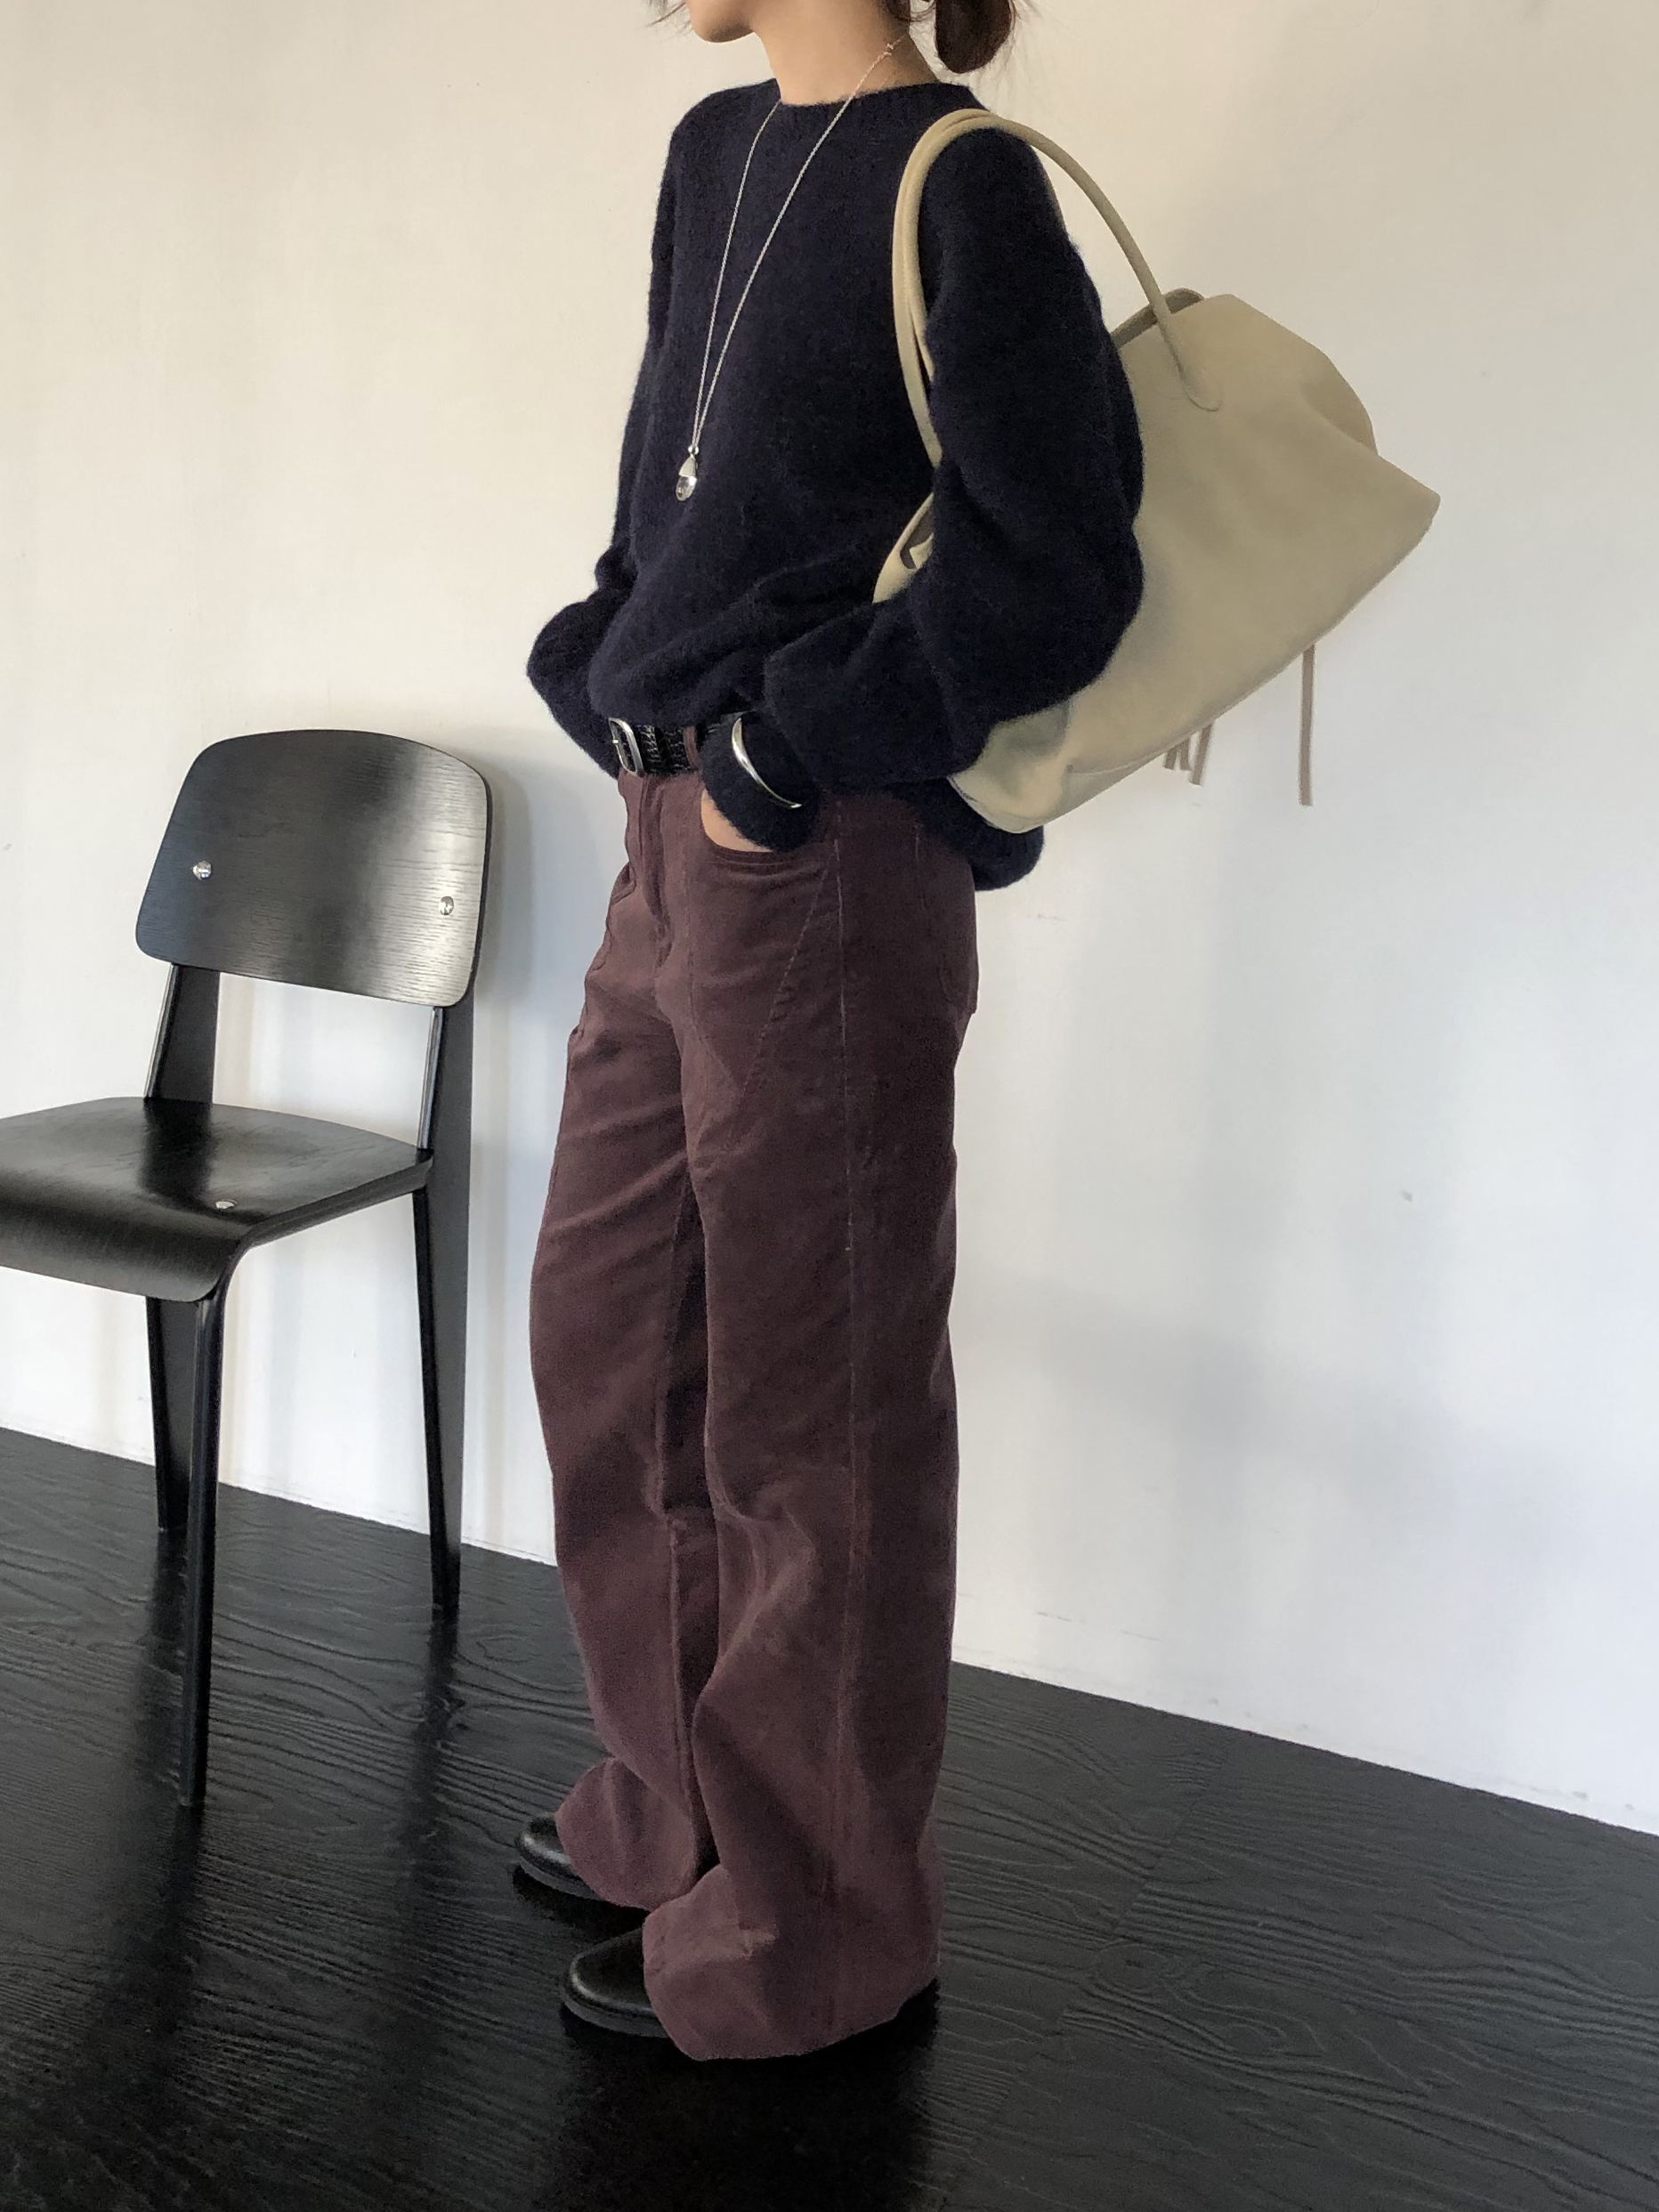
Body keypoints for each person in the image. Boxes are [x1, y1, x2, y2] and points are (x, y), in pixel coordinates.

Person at [517, 0, 1145, 2062]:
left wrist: (784, 751)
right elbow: (675, 497)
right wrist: (606, 660)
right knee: (613, 1331)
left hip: (821, 855)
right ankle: (685, 1811)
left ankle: (822, 1924)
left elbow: (1055, 568)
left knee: (817, 1400)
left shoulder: (965, 186)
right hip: (671, 834)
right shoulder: (715, 150)